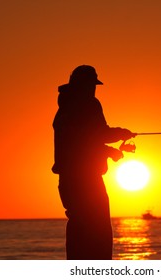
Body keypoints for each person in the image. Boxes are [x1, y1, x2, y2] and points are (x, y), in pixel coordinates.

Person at [52, 65, 136, 259]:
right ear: (82, 85)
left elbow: (81, 142)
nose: (93, 89)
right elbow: (98, 133)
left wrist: (108, 151)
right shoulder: (88, 104)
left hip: (68, 181)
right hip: (87, 181)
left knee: (79, 230)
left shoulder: (64, 109)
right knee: (99, 233)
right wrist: (121, 133)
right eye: (91, 84)